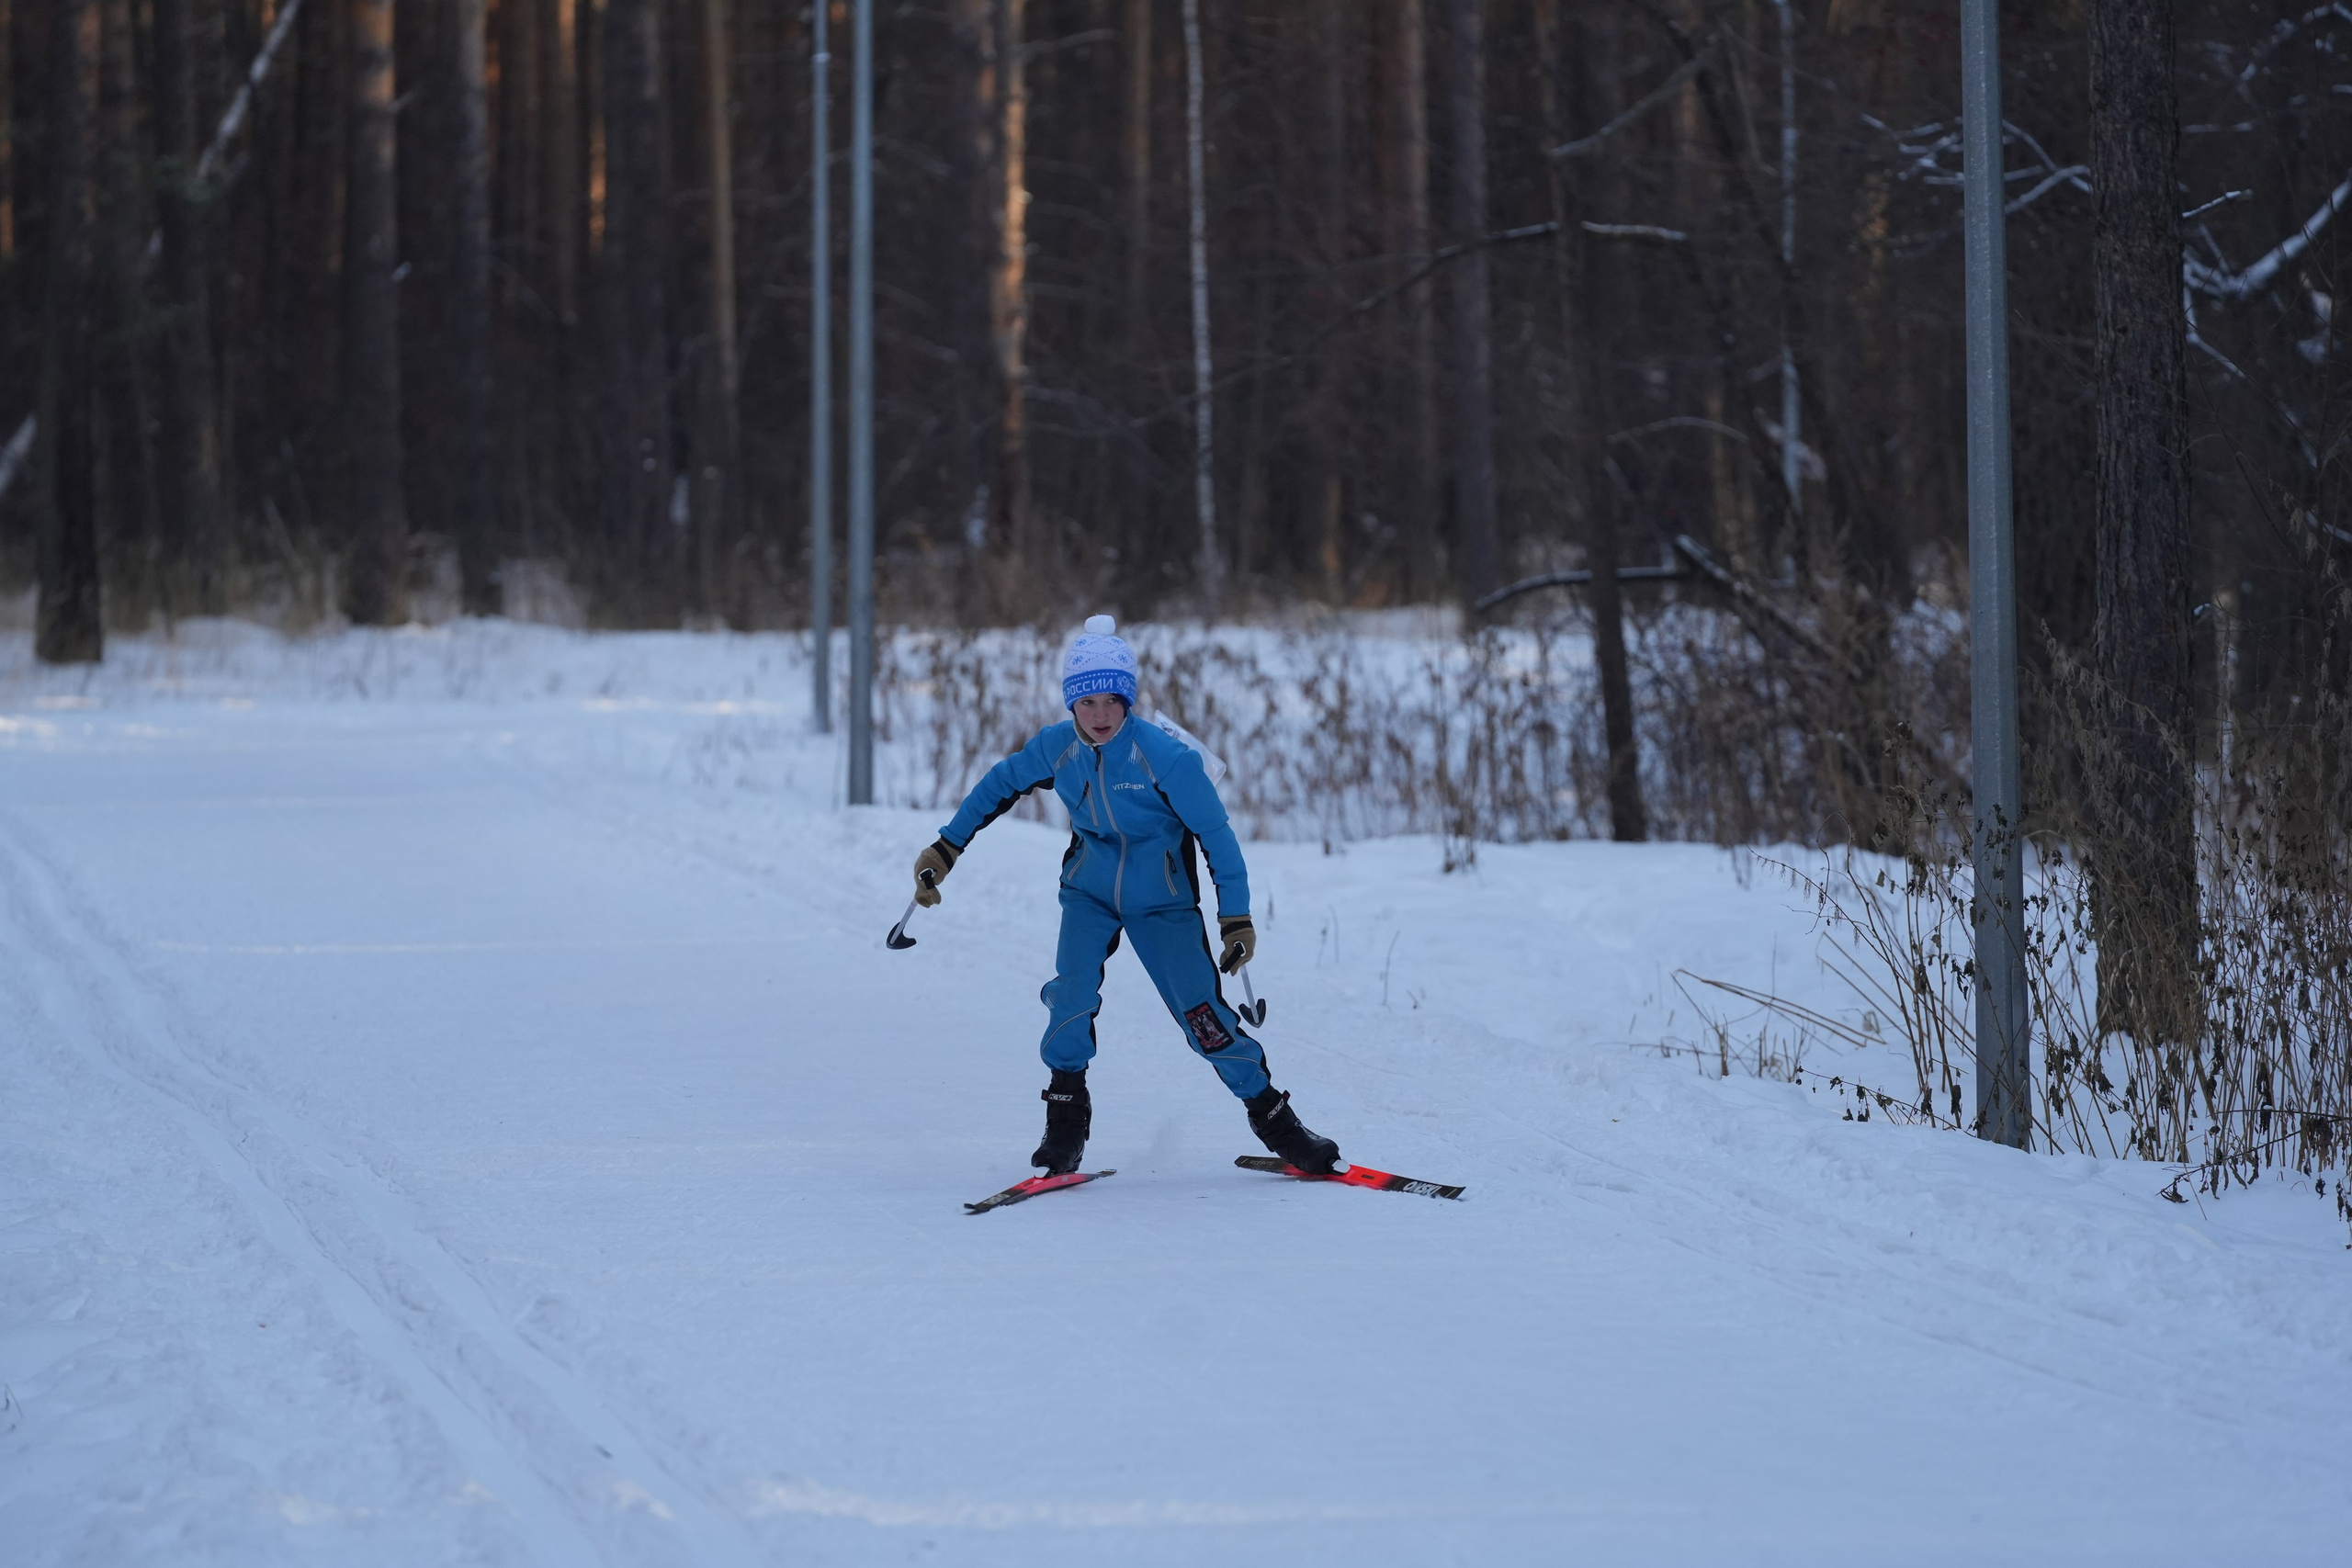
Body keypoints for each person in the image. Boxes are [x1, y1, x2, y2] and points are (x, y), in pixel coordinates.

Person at [909, 615, 1341, 1178]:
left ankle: (1278, 1121)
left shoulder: (1167, 758)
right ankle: (1065, 1124)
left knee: (1205, 1019)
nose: (1100, 715)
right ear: (1071, 704)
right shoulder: (1057, 747)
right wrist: (946, 849)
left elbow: (1217, 837)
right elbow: (998, 785)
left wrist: (1235, 918)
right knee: (1071, 998)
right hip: (1088, 893)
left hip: (1163, 904)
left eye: (1112, 700)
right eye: (1086, 702)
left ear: (1128, 699)